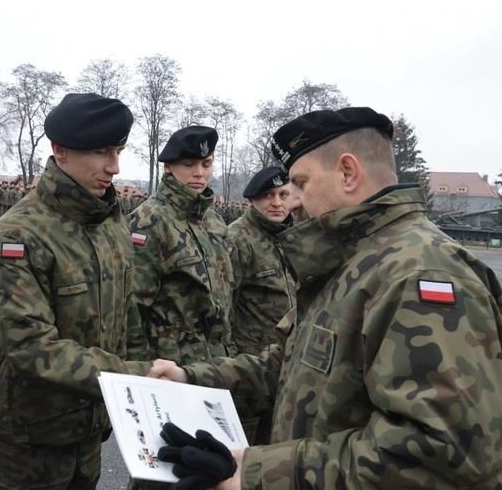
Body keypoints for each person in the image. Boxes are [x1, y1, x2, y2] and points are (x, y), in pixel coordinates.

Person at [150, 107, 502, 488]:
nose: (292, 201)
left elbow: (442, 453)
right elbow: (289, 364)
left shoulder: (420, 274)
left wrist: (256, 474)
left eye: (300, 183)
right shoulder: (355, 259)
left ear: (348, 172)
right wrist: (192, 376)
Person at [0, 93, 152, 489]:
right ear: (60, 151)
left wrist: (141, 392)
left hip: (88, 431)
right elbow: (32, 349)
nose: (115, 167)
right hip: (26, 440)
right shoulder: (18, 235)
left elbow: (128, 318)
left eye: (119, 151)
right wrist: (139, 376)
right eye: (102, 152)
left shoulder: (111, 225)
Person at [127, 125, 235, 489]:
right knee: (161, 472)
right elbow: (132, 308)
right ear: (169, 168)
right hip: (168, 369)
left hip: (211, 368)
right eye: (189, 164)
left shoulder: (213, 221)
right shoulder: (150, 220)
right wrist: (143, 378)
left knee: (207, 471)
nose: (199, 173)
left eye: (205, 163)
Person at [225, 166, 297, 445]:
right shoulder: (237, 239)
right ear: (252, 200)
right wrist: (231, 361)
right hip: (249, 365)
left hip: (283, 363)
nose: (277, 203)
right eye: (268, 195)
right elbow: (224, 305)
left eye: (283, 194)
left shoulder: (295, 237)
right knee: (244, 448)